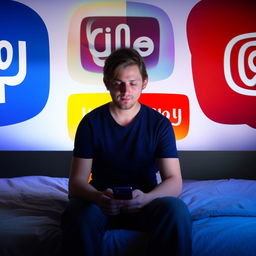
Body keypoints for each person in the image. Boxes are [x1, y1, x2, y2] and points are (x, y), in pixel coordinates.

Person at [61, 48, 192, 256]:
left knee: (176, 210)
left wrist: (146, 199)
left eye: (133, 83)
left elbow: (174, 180)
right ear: (107, 84)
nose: (126, 90)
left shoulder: (159, 124)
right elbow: (76, 183)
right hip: (102, 202)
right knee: (75, 213)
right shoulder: (90, 123)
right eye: (118, 83)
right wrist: (98, 198)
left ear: (144, 83)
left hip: (146, 200)